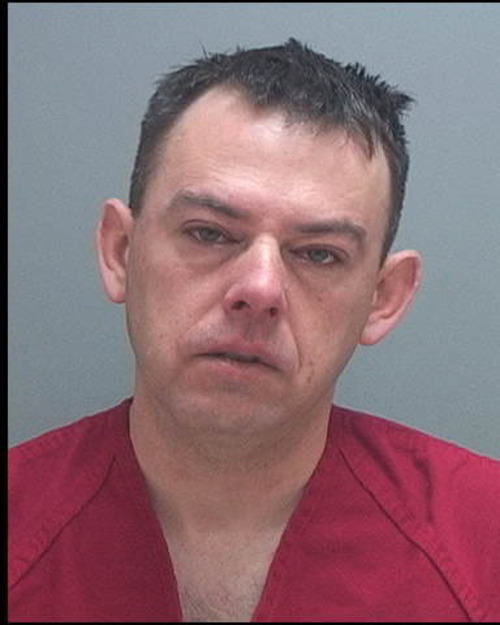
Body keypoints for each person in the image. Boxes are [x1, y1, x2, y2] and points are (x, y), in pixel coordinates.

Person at [8, 38, 500, 623]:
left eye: (318, 253)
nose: (260, 289)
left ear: (383, 299)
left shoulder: (485, 543)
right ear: (120, 251)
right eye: (209, 233)